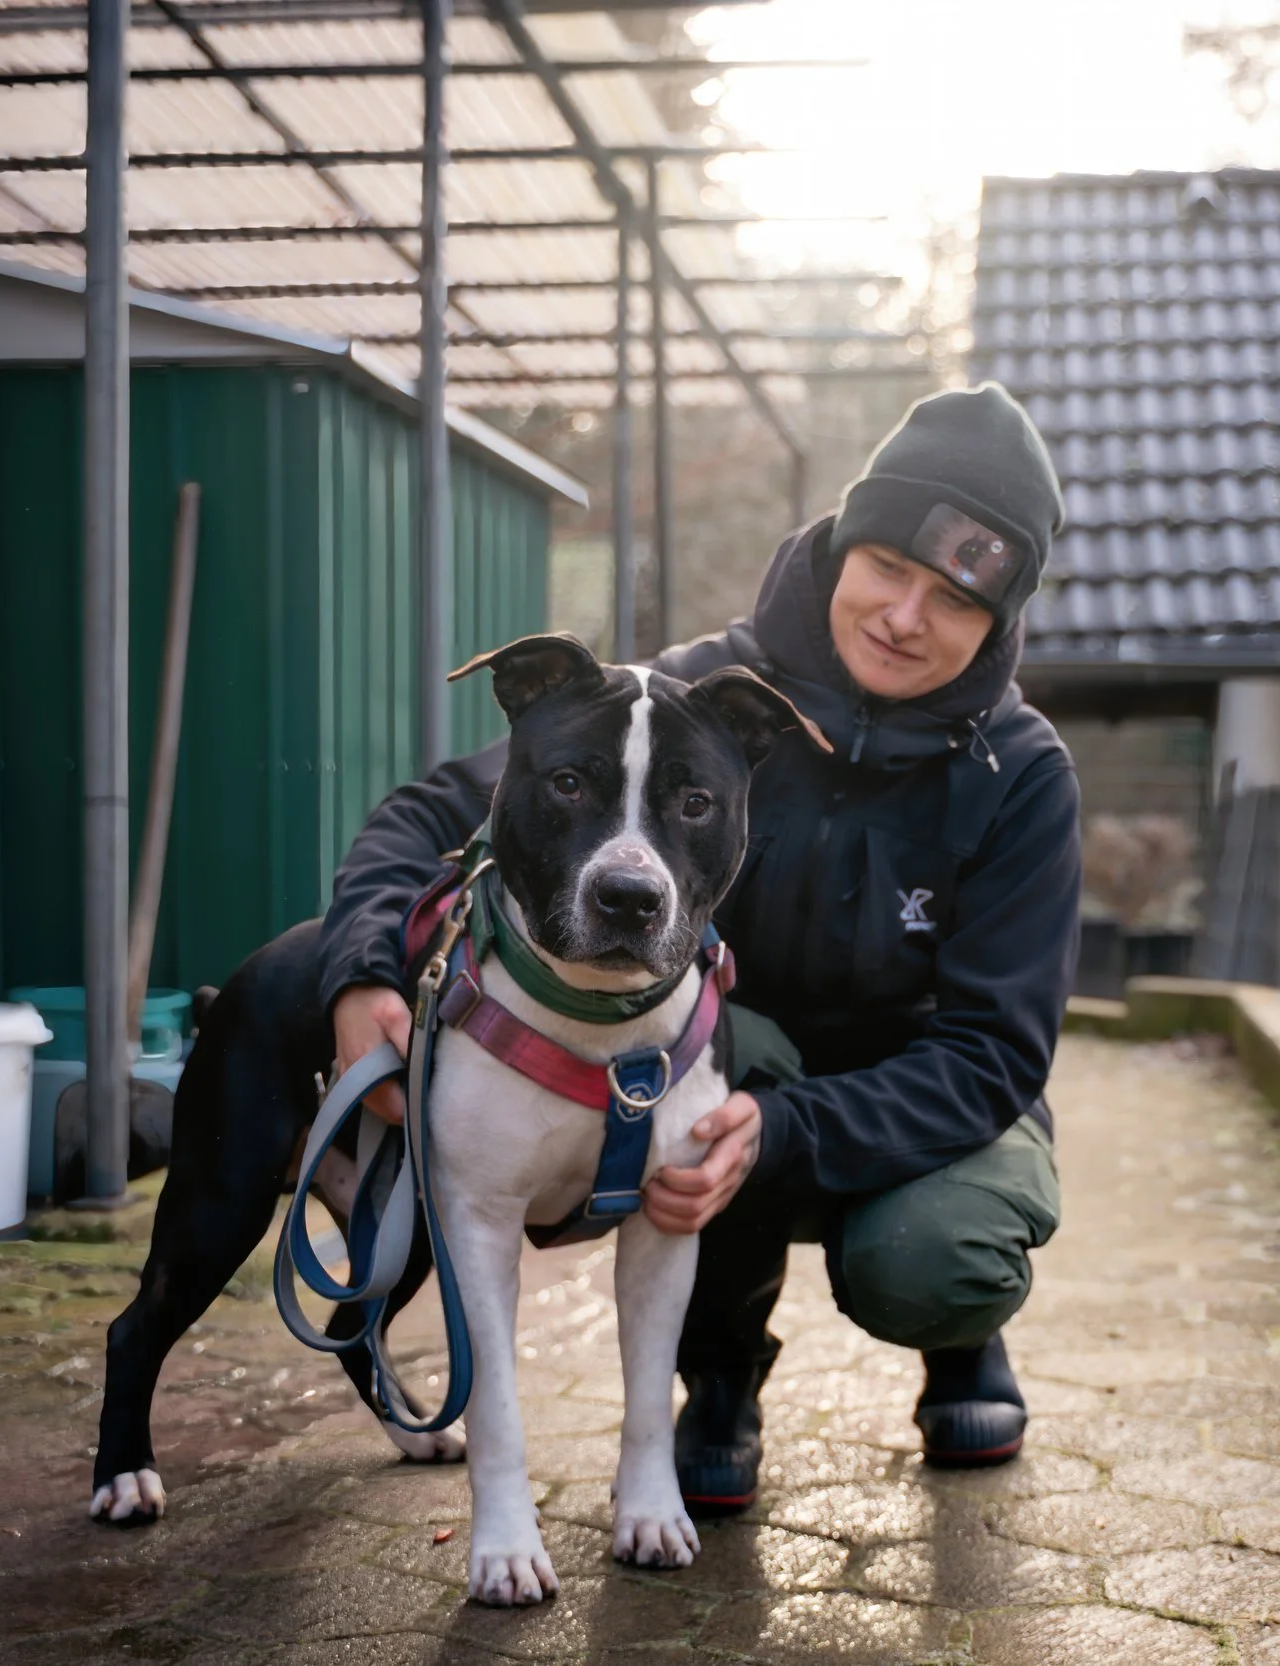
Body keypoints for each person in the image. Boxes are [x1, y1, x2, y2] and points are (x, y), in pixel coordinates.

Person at [318, 383, 1082, 1510]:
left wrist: (785, 1130)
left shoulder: (1019, 774)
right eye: (888, 567)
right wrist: (360, 971)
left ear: (997, 621)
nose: (904, 616)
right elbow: (434, 814)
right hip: (726, 1067)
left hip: (931, 1104)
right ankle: (719, 1372)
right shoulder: (682, 702)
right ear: (839, 547)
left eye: (953, 600)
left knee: (938, 1254)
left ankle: (962, 1344)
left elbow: (994, 1054)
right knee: (684, 1100)